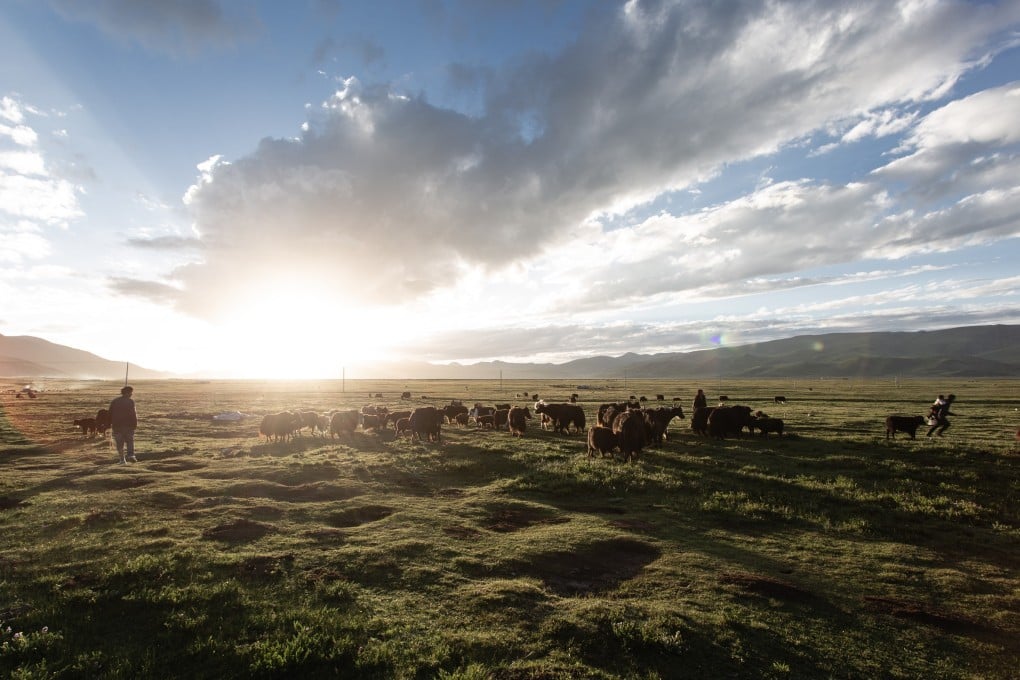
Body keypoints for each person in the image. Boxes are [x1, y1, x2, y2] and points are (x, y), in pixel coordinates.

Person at [109, 385, 138, 463]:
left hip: (117, 426)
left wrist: (110, 423)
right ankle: (131, 455)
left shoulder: (115, 401)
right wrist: (135, 424)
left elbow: (110, 413)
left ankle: (122, 459)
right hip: (128, 425)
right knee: (130, 441)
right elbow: (133, 414)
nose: (131, 394)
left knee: (119, 443)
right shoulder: (130, 402)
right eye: (130, 392)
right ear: (127, 393)